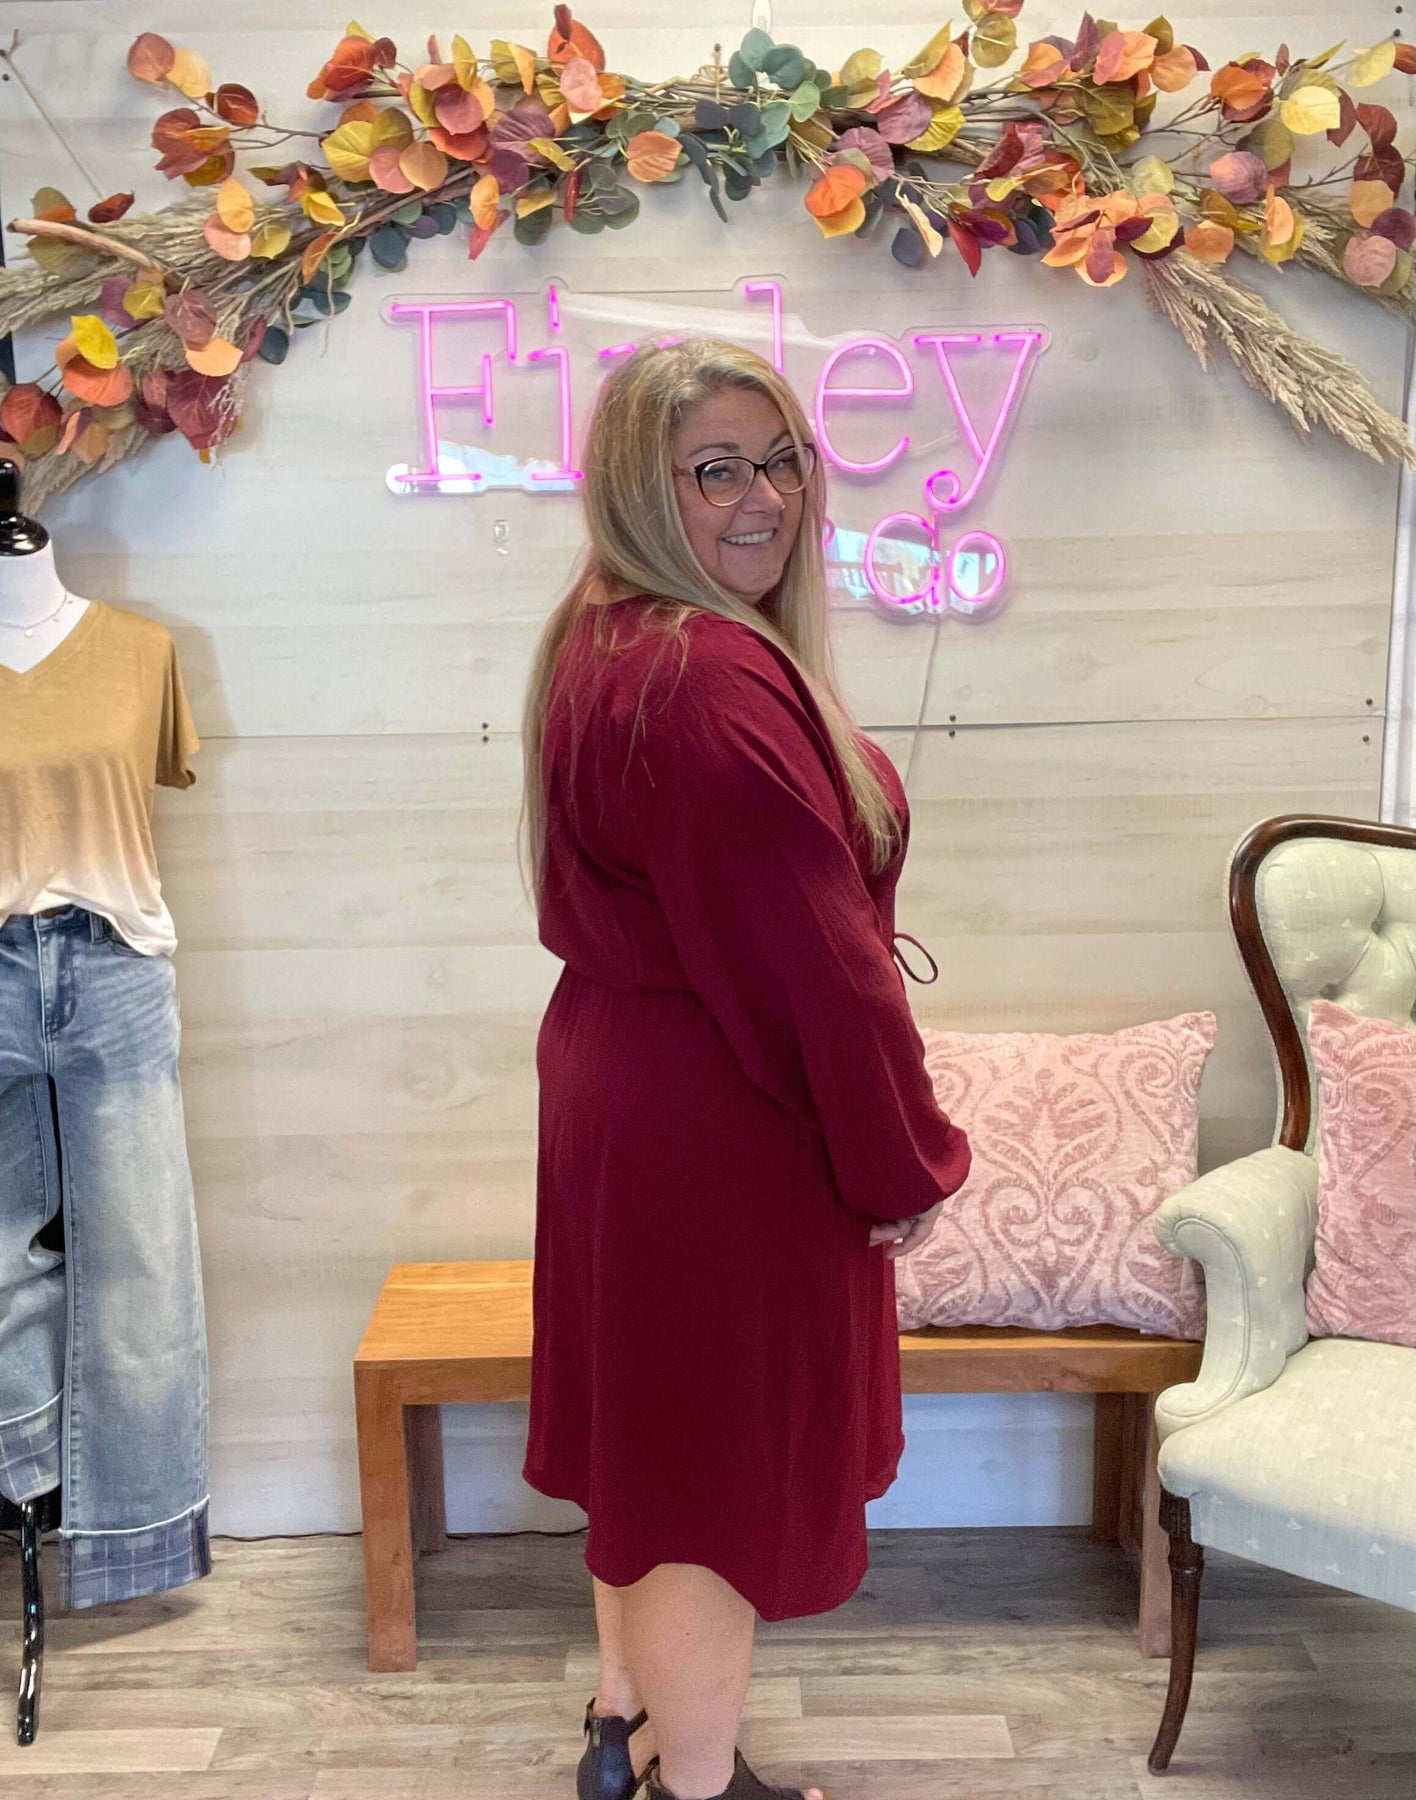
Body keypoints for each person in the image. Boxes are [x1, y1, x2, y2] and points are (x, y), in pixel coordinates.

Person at [518, 338, 972, 1800]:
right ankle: (695, 1788)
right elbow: (819, 974)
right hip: (720, 1121)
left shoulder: (610, 633)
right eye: (714, 470)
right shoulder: (706, 683)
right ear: (638, 488)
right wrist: (903, 1160)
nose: (764, 496)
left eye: (780, 460)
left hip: (634, 1086)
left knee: (652, 1441)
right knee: (708, 1481)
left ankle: (625, 1727)